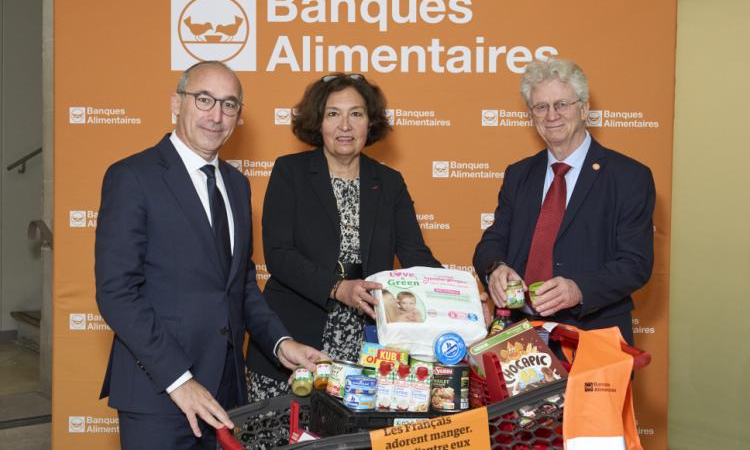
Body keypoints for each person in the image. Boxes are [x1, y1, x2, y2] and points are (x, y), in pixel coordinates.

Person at [95, 60, 327, 449]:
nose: (216, 115)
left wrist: (280, 343)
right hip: (160, 393)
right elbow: (117, 293)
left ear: (239, 117)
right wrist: (179, 381)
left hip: (227, 391)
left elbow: (240, 285)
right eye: (204, 100)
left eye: (229, 104)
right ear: (176, 104)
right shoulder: (132, 177)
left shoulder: (236, 185)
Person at [246, 73, 441, 399]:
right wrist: (337, 288)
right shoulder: (289, 172)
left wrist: (458, 298)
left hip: (365, 347)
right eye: (333, 114)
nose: (345, 126)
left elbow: (414, 253)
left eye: (356, 114)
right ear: (318, 122)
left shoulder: (390, 182)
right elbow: (279, 255)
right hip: (295, 340)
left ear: (370, 122)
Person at [473, 58, 655, 344]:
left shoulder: (629, 176)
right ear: (531, 115)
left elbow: (635, 264)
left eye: (562, 104)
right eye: (541, 107)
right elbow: (493, 240)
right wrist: (495, 268)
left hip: (593, 338)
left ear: (584, 108)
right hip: (519, 339)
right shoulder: (518, 174)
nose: (551, 115)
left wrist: (578, 289)